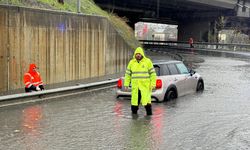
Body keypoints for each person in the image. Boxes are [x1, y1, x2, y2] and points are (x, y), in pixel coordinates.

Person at [124, 47, 156, 116]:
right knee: (134, 103)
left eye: (139, 54)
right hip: (135, 87)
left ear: (142, 54)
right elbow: (127, 74)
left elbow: (153, 74)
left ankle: (149, 119)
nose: (138, 55)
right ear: (135, 54)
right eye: (136, 54)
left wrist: (153, 84)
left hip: (145, 87)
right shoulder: (131, 62)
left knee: (147, 103)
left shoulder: (147, 61)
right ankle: (134, 119)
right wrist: (126, 84)